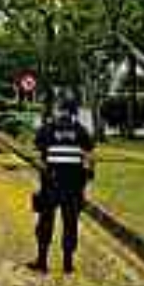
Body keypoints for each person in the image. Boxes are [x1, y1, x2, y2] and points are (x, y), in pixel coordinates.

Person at [28, 94, 94, 275]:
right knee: (70, 223)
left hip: (51, 184)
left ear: (59, 110)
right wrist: (86, 177)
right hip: (73, 187)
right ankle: (67, 264)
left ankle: (42, 261)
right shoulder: (81, 131)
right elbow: (89, 158)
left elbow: (35, 155)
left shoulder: (47, 129)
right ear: (74, 112)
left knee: (45, 222)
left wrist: (45, 170)